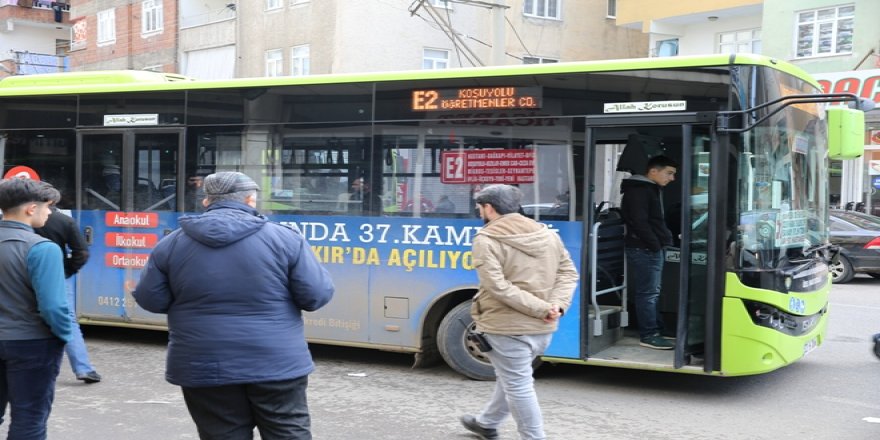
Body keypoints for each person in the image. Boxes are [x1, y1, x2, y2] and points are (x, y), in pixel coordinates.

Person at [133, 171, 335, 439]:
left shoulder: (171, 244)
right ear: (251, 199)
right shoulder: (286, 239)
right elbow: (315, 296)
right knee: (288, 432)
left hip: (203, 361)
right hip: (275, 361)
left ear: (207, 201)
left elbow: (151, 299)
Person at [460, 184, 578, 440]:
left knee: (518, 385)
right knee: (512, 376)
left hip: (507, 326)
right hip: (544, 327)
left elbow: (497, 287)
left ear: (489, 208)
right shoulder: (548, 235)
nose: (480, 212)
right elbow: (568, 273)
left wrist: (543, 308)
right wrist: (556, 306)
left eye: (480, 207)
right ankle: (486, 422)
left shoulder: (486, 239)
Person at [0, 178, 72, 439]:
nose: (50, 212)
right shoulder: (43, 249)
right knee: (29, 418)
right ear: (31, 208)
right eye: (48, 206)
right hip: (32, 343)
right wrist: (65, 334)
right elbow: (53, 306)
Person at [34, 203, 102, 384]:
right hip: (58, 276)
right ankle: (83, 368)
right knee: (68, 319)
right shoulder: (64, 221)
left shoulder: (16, 221)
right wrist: (68, 270)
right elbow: (82, 252)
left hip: (24, 277)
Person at [620, 155, 677, 350]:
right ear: (653, 171)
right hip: (644, 248)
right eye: (669, 173)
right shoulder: (639, 191)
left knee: (652, 292)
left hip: (649, 248)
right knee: (648, 293)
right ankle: (649, 334)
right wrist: (655, 244)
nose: (672, 178)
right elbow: (639, 222)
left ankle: (656, 329)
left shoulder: (648, 189)